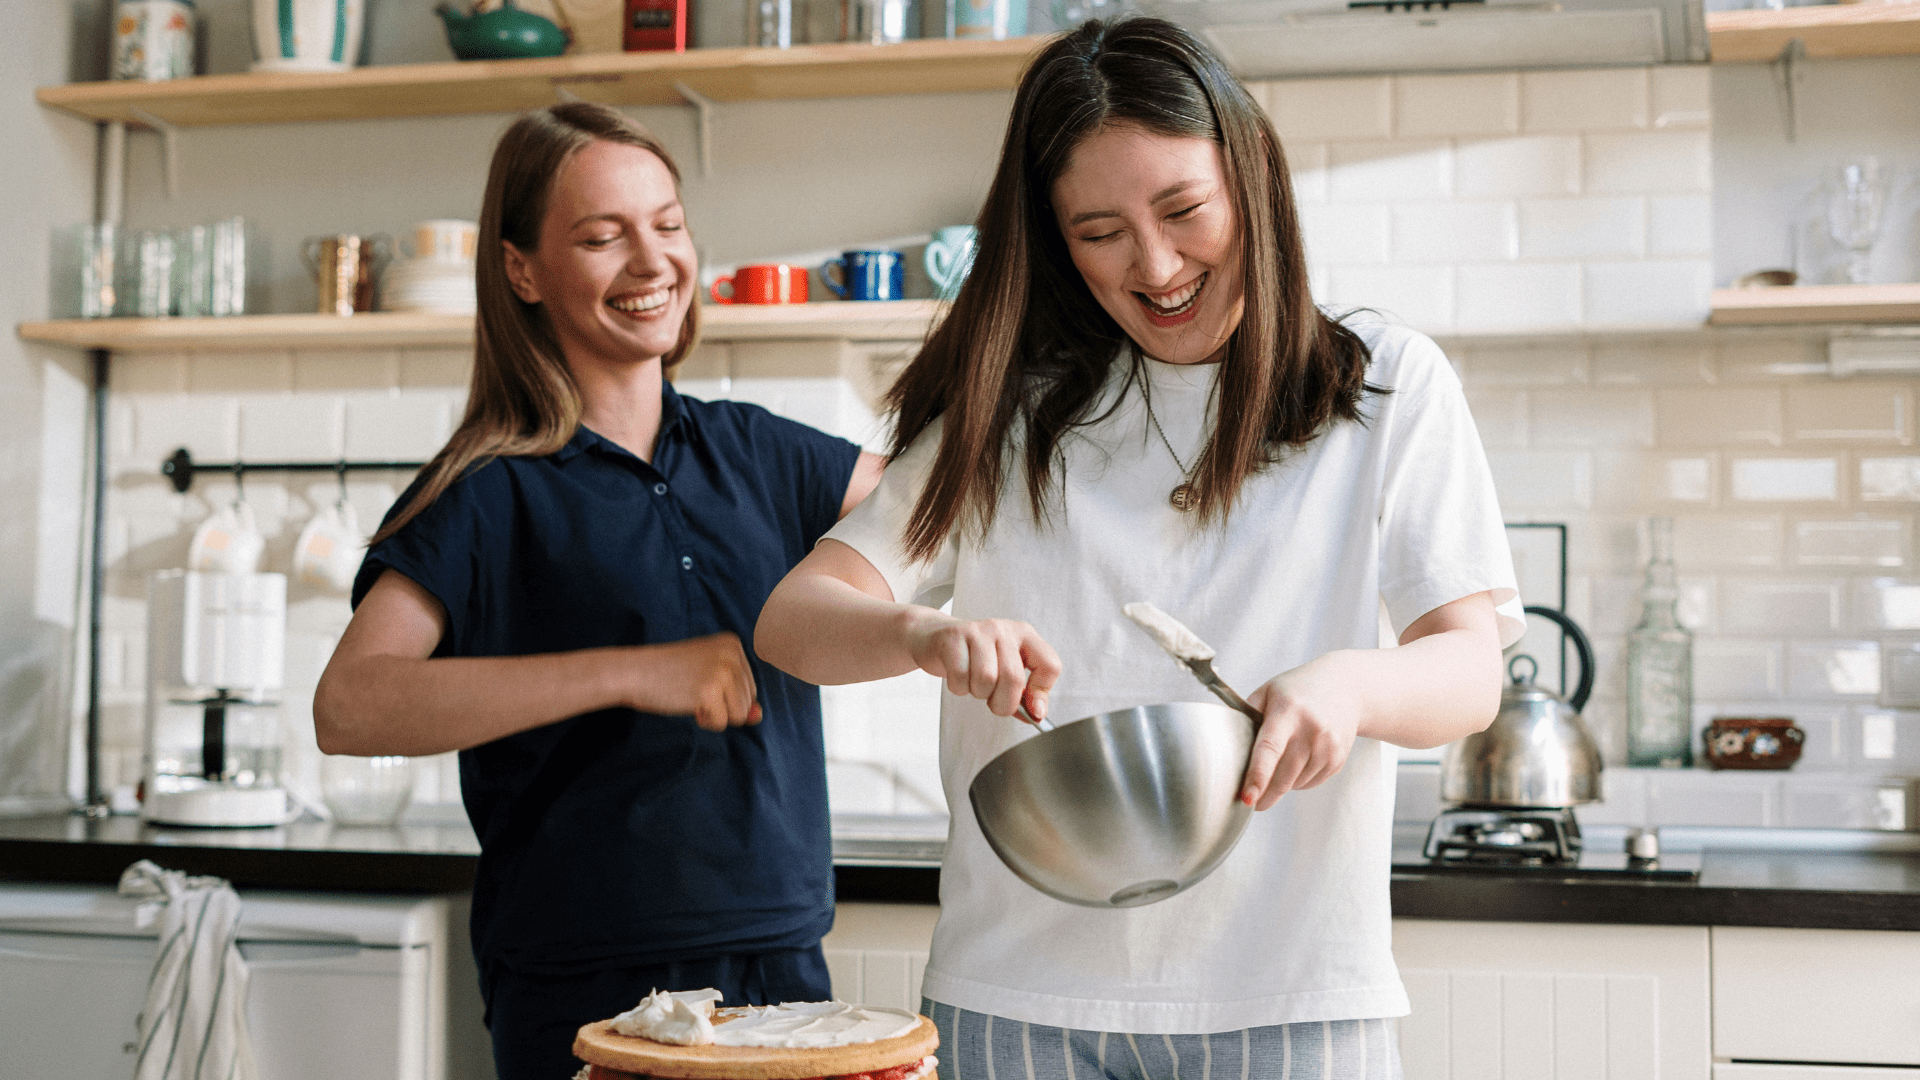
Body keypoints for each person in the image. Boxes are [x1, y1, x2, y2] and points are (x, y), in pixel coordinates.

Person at [754, 18, 1524, 1079]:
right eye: (1099, 229)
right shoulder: (1012, 418)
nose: (1156, 266)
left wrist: (1350, 685)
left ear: (1250, 182)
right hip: (1017, 996)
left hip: (1292, 997)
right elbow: (794, 621)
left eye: (1183, 210)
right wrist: (921, 634)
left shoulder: (1381, 386)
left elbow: (1469, 668)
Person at [312, 102, 885, 1080]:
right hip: (584, 988)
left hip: (781, 970)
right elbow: (350, 705)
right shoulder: (482, 492)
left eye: (667, 225)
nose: (652, 261)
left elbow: (954, 518)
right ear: (522, 269)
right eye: (601, 236)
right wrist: (630, 673)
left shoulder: (763, 454)